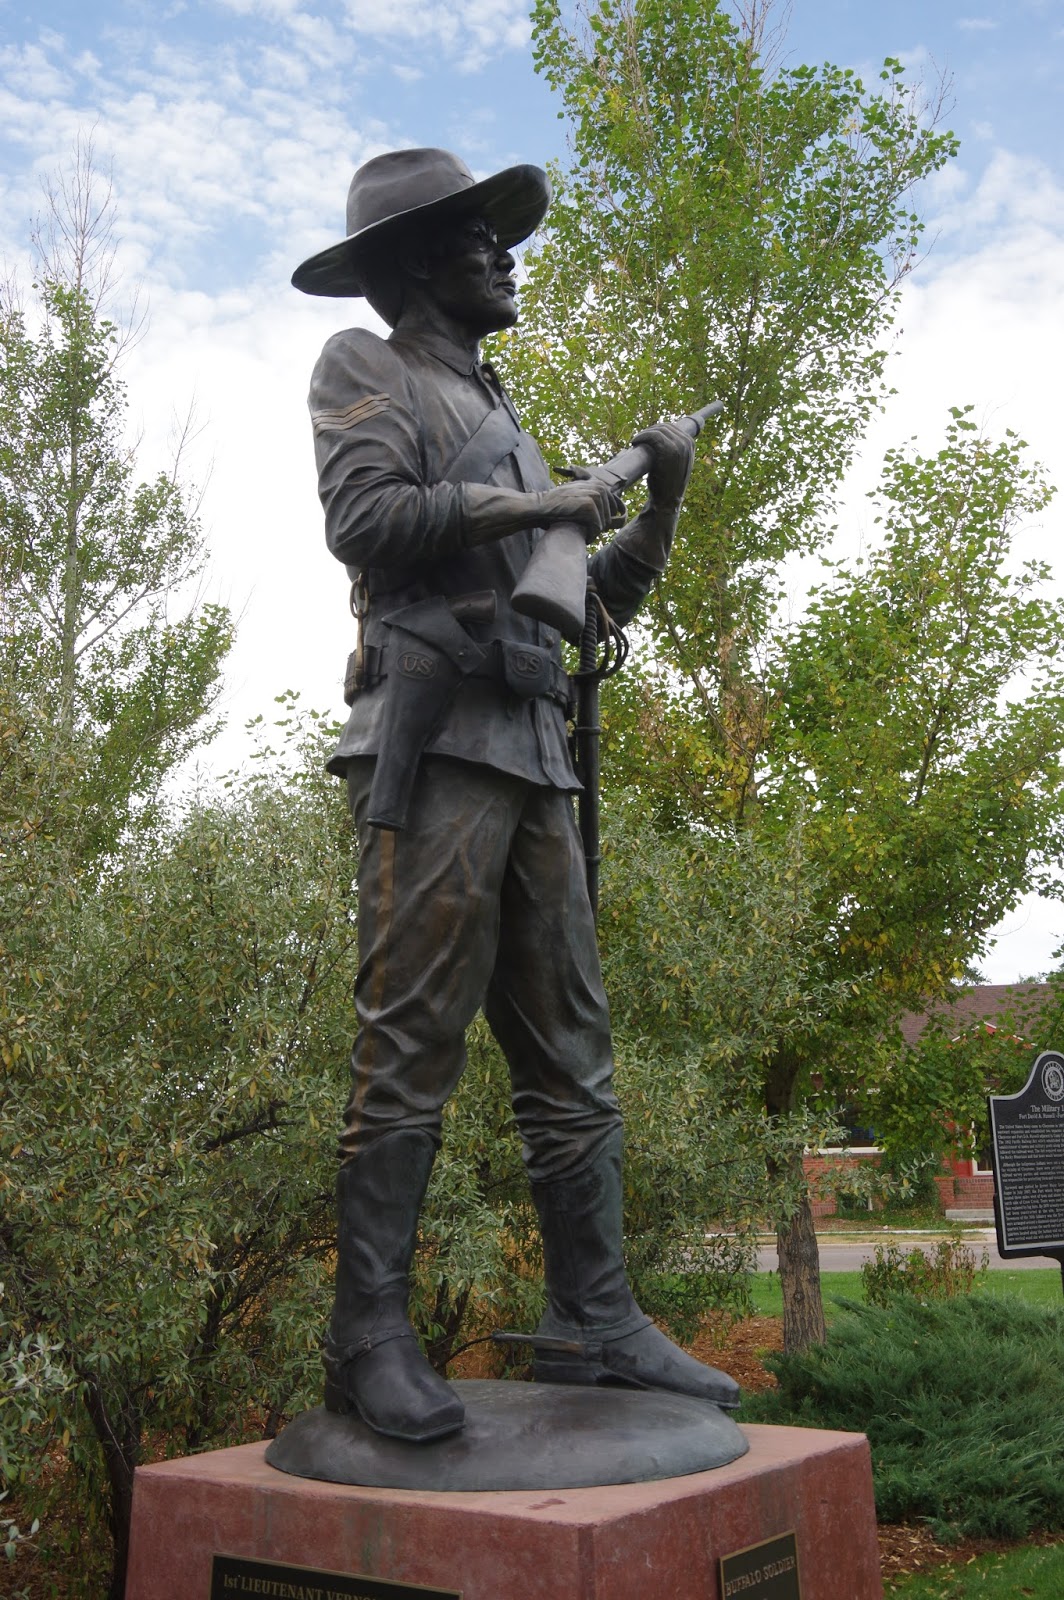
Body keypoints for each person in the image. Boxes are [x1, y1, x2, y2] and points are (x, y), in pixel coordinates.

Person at [292, 147, 739, 1444]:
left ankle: (597, 1315)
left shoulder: (504, 413)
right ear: (420, 260)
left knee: (574, 1058)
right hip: (434, 755)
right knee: (409, 1049)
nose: (506, 251)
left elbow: (585, 610)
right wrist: (549, 497)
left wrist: (653, 507)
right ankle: (365, 1335)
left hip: (535, 754)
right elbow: (365, 521)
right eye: (480, 235)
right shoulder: (366, 372)